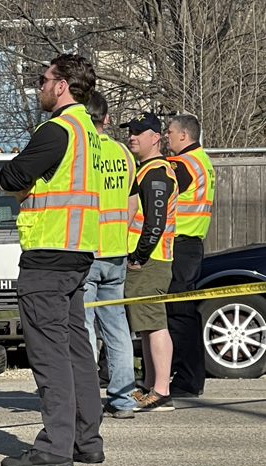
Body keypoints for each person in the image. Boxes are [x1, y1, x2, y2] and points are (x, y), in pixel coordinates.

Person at [0, 53, 104, 466]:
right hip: (78, 252)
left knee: (49, 353)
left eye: (43, 80)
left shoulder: (57, 130)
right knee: (77, 347)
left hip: (48, 254)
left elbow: (10, 176)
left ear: (62, 85)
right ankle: (85, 439)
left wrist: (21, 179)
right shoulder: (92, 135)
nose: (39, 86)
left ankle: (55, 447)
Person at [83, 91, 138, 419]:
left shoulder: (83, 151)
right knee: (117, 330)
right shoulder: (123, 153)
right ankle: (123, 401)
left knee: (85, 328)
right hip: (117, 250)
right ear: (105, 118)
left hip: (87, 251)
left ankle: (88, 401)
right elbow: (132, 204)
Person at [121, 112, 178, 412]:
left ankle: (161, 390)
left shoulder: (156, 173)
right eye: (130, 130)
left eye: (139, 131)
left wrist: (138, 258)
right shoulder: (147, 170)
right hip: (149, 260)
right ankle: (149, 387)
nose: (132, 135)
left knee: (154, 324)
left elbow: (154, 223)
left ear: (155, 137)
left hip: (151, 261)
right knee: (146, 325)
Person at [165, 115, 215, 398]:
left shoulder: (181, 165)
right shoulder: (203, 162)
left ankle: (185, 378)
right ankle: (190, 376)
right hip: (192, 243)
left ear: (184, 135)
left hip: (178, 244)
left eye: (170, 132)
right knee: (185, 312)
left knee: (178, 313)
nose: (166, 136)